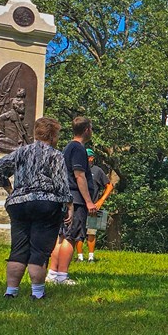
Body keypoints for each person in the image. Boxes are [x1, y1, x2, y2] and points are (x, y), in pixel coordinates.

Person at [0, 116, 73, 300]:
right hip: (45, 204)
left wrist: (10, 190)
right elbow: (61, 183)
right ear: (53, 135)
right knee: (39, 250)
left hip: (18, 203)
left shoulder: (20, 152)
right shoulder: (55, 155)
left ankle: (11, 291)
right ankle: (37, 293)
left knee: (18, 248)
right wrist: (69, 205)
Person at [47, 117, 97, 285]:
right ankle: (62, 275)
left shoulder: (68, 147)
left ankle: (53, 273)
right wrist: (89, 201)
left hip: (67, 198)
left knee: (61, 236)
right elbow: (79, 175)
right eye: (91, 128)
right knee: (71, 236)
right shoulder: (77, 148)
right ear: (86, 130)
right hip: (76, 200)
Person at [76, 148, 114, 262]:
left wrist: (101, 201)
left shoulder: (97, 171)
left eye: (86, 157)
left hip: (93, 206)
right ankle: (80, 257)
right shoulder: (78, 170)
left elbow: (109, 186)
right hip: (79, 205)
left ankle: (91, 257)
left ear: (91, 158)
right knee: (78, 231)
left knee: (91, 232)